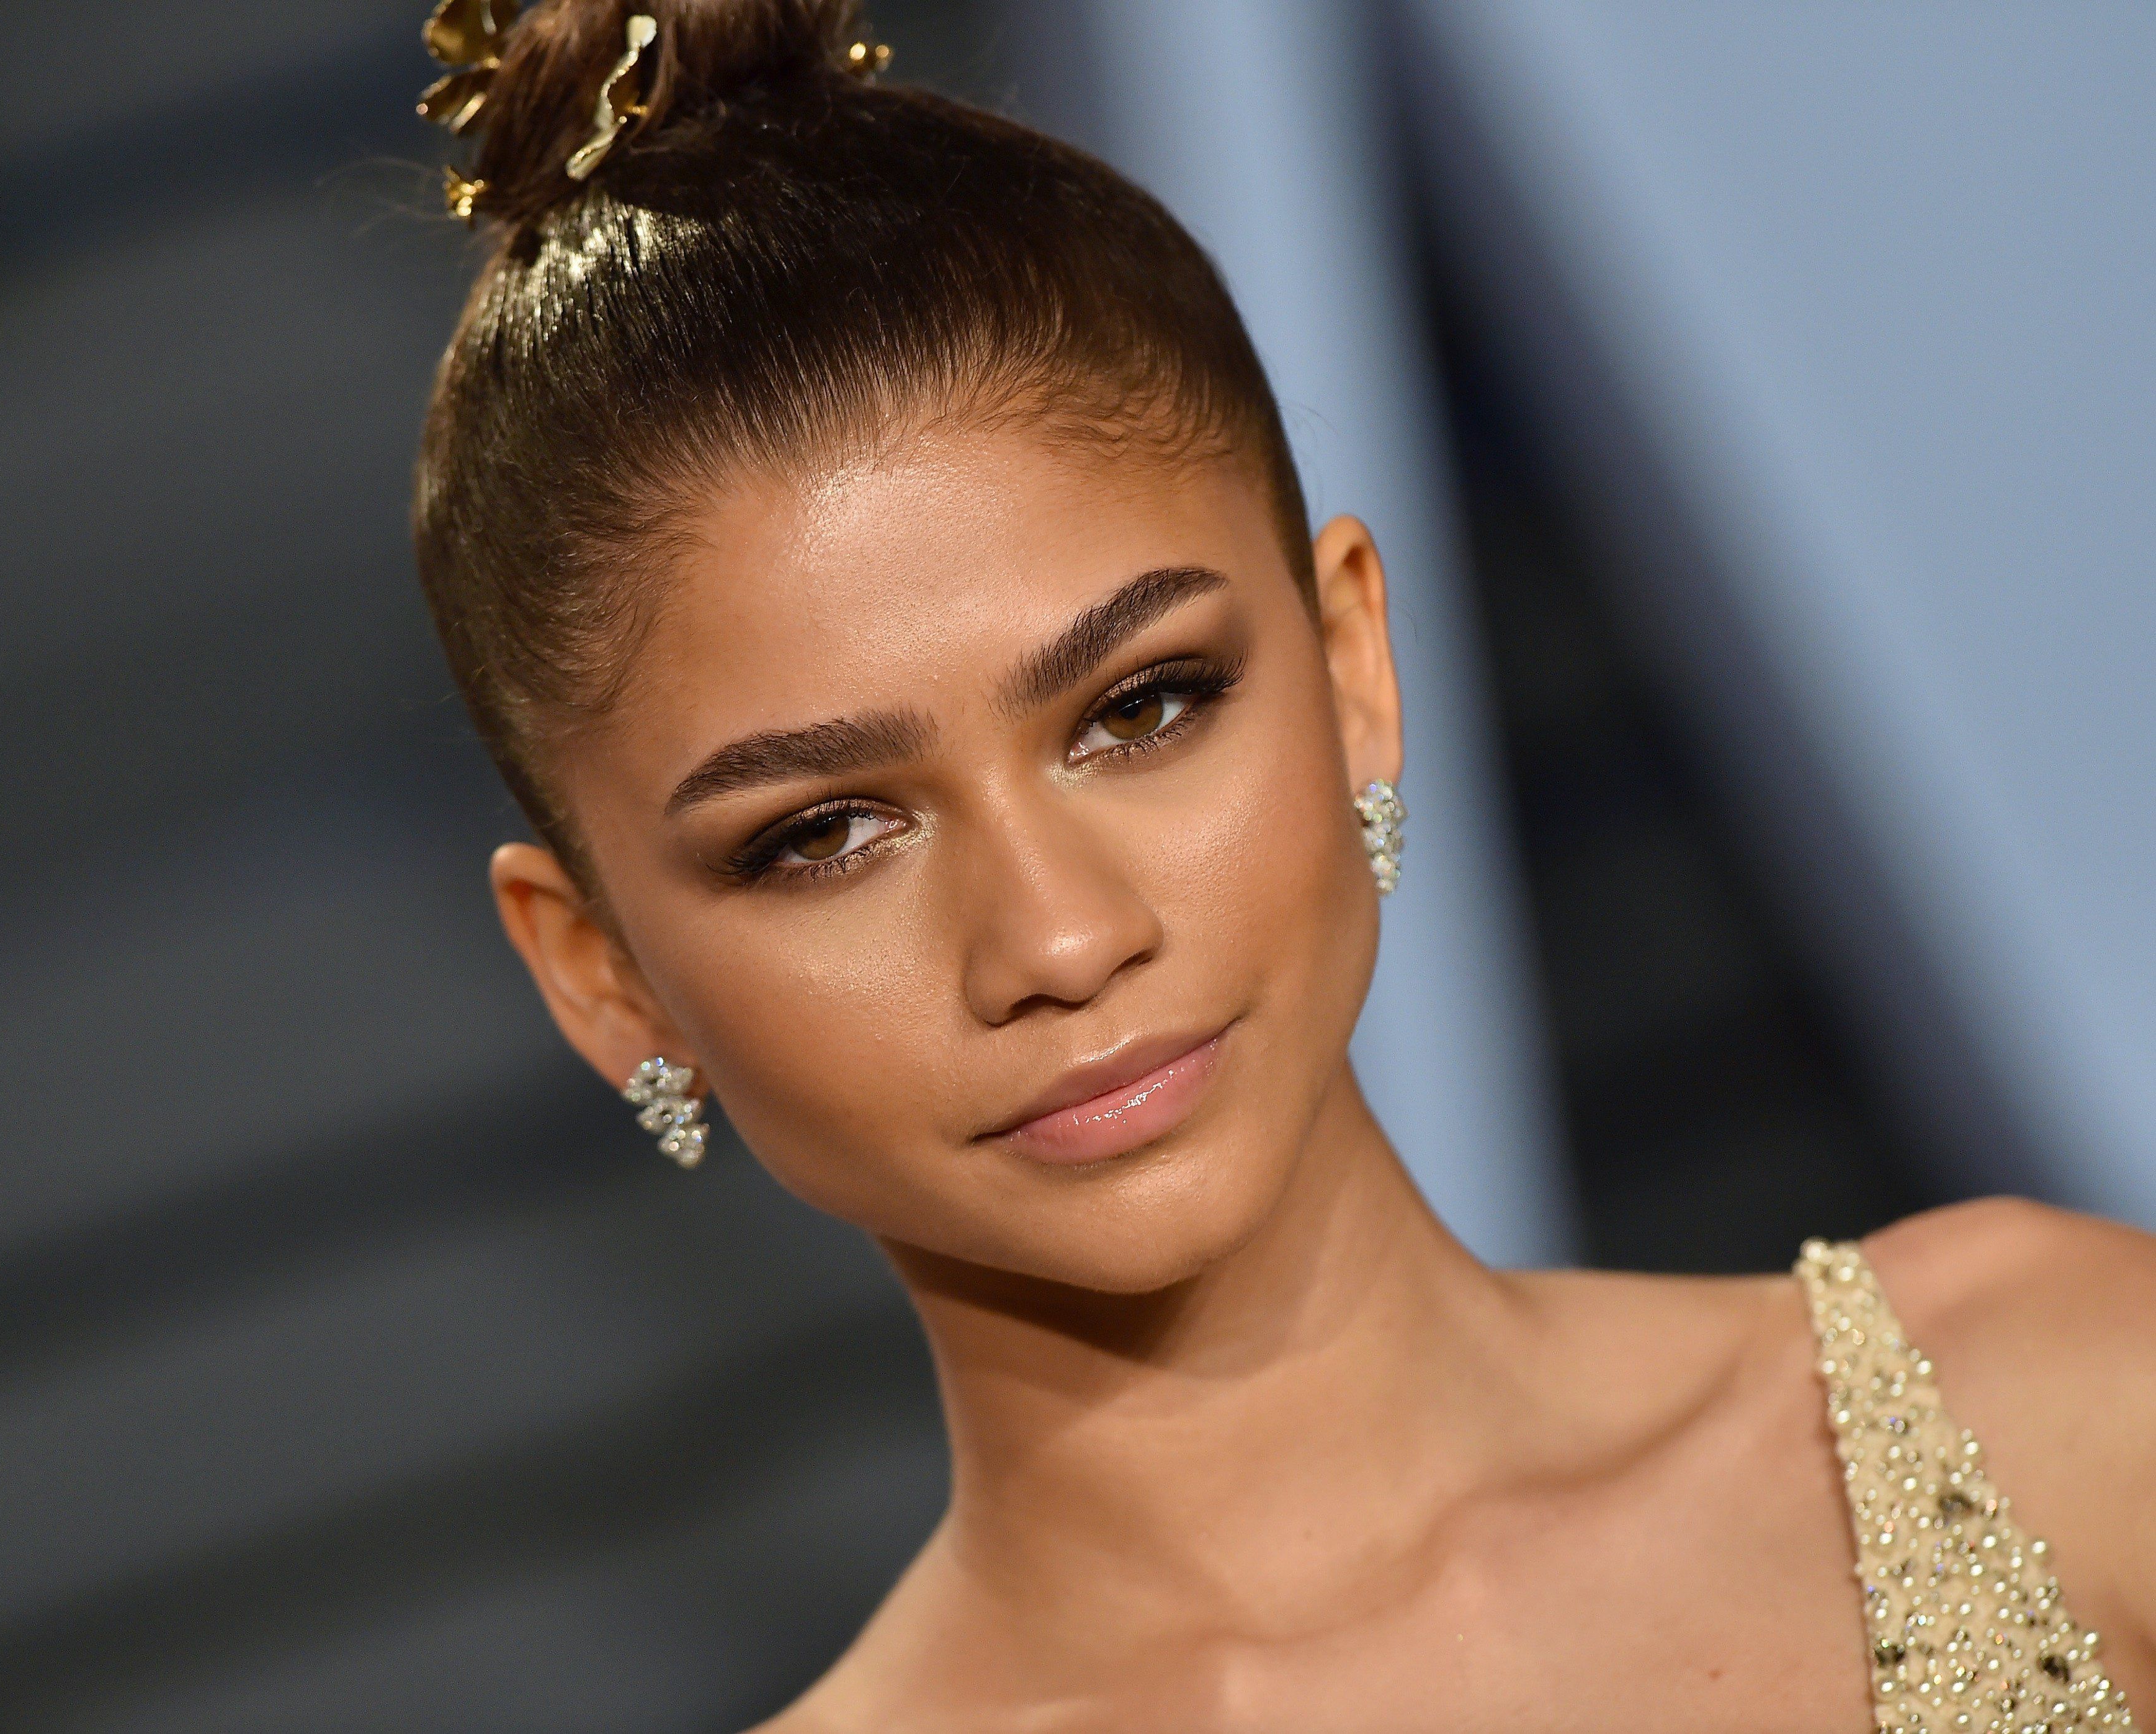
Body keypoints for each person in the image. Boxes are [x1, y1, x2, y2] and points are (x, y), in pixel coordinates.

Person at [407, 1, 2156, 1725]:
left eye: (1142, 707)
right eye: (823, 836)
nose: (1061, 938)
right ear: (603, 978)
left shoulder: (2063, 1422)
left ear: (1352, 670)